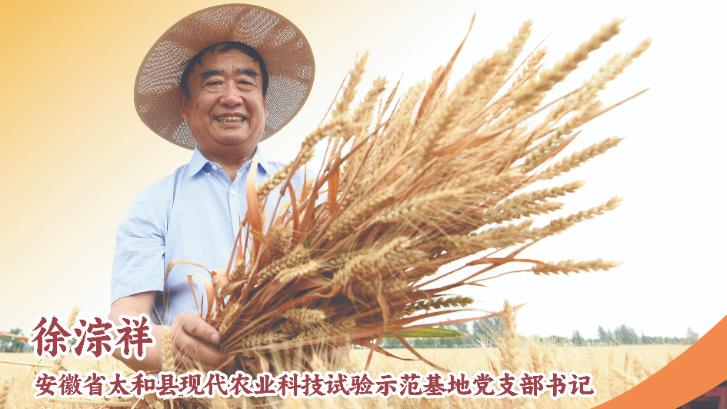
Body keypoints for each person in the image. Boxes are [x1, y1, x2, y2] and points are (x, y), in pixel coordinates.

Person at [108, 4, 315, 372]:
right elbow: (122, 329)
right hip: (192, 392)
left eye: (246, 83)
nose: (231, 97)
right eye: (214, 83)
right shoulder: (155, 203)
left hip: (301, 389)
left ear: (264, 103)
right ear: (186, 105)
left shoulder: (308, 189)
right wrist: (173, 346)